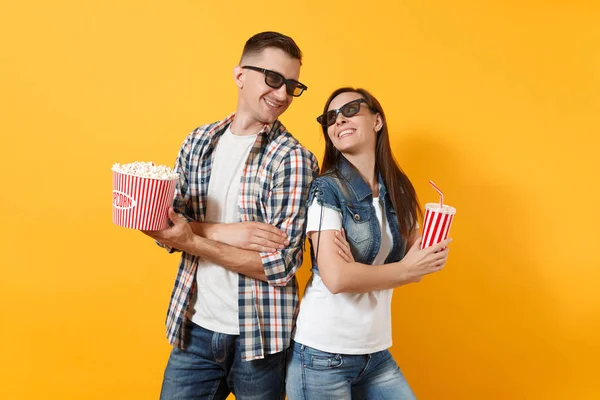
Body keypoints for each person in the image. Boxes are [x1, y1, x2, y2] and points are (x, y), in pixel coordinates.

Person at [144, 31, 319, 400]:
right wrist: (225, 231)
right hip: (194, 328)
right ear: (240, 75)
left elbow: (282, 265)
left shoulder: (293, 159)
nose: (283, 94)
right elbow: (158, 224)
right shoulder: (198, 142)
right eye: (273, 79)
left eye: (292, 85)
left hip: (260, 337)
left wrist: (193, 238)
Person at [285, 87, 452, 399]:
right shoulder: (327, 190)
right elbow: (336, 279)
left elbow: (423, 258)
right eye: (331, 118)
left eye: (350, 110)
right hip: (323, 355)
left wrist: (427, 250)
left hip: (374, 353)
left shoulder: (398, 189)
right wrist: (403, 270)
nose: (339, 121)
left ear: (377, 121)